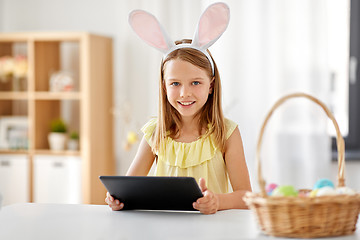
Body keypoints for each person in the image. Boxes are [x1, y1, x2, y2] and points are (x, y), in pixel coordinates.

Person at [105, 2, 252, 214]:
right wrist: (117, 199)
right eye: (175, 83)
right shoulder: (155, 132)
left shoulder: (227, 132)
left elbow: (246, 197)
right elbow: (128, 187)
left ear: (210, 85)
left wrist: (217, 201)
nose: (184, 93)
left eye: (195, 83)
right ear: (164, 86)